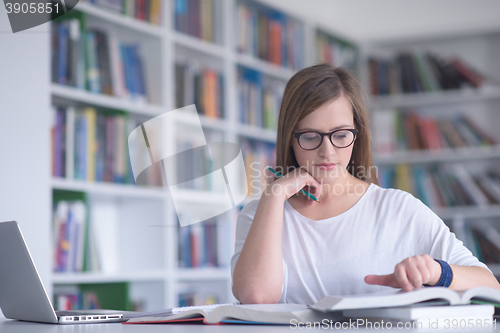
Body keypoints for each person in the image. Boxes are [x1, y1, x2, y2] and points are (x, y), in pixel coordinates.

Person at [230, 63, 500, 305]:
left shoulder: (397, 208)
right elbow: (257, 297)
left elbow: (490, 286)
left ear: (356, 134)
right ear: (290, 137)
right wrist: (274, 195)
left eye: (341, 135)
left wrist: (438, 272)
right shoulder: (259, 214)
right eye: (311, 136)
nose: (327, 151)